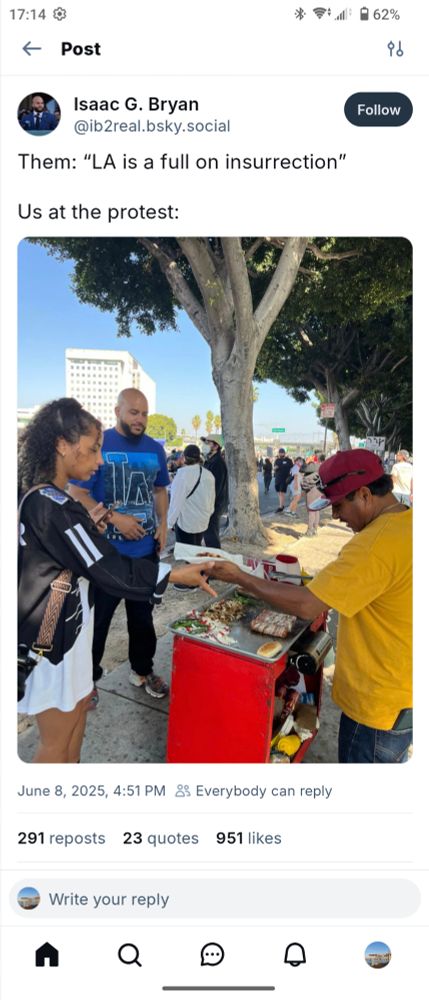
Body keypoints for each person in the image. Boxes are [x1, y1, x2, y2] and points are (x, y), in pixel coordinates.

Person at [18, 398, 216, 764]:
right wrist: (174, 572)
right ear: (62, 445)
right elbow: (107, 567)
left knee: (76, 718)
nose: (98, 461)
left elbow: (78, 552)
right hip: (52, 643)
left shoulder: (54, 500)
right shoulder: (52, 506)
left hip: (68, 632)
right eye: (93, 449)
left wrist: (93, 527)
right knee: (56, 743)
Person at [210, 450, 412, 764]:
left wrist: (240, 577)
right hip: (405, 695)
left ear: (364, 494)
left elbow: (306, 606)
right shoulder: (408, 521)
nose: (336, 516)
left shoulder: (374, 544)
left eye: (338, 506)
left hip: (378, 708)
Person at [69, 388, 171, 700]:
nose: (140, 419)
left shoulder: (155, 449)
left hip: (145, 554)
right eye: (133, 412)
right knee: (96, 625)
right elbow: (77, 494)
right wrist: (115, 519)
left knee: (142, 621)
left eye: (144, 413)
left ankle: (142, 670)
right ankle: (87, 682)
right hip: (104, 557)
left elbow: (159, 490)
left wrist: (163, 523)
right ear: (118, 411)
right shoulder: (100, 445)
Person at [167, 444, 215, 549]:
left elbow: (176, 503)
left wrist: (168, 524)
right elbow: (211, 499)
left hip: (186, 524)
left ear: (184, 458)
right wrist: (208, 515)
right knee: (196, 550)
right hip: (202, 522)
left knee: (186, 553)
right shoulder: (209, 474)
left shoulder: (182, 476)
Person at [200, 434, 228, 548]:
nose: (205, 445)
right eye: (205, 442)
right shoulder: (210, 460)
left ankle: (214, 556)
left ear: (216, 446)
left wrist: (207, 505)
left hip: (213, 505)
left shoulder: (218, 463)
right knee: (209, 535)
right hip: (209, 504)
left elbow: (215, 488)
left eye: (208, 443)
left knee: (211, 536)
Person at [301, 455, 325, 536]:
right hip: (319, 491)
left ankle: (309, 531)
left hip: (311, 491)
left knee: (311, 511)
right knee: (317, 510)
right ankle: (315, 530)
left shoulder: (311, 467)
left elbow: (302, 470)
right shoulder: (322, 467)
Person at [273, 448, 293, 512]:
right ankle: (282, 505)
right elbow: (274, 468)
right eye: (280, 453)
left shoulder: (289, 460)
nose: (281, 454)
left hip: (285, 479)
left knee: (282, 492)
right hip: (277, 479)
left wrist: (292, 476)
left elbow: (292, 468)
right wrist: (275, 468)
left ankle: (281, 507)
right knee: (279, 492)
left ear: (284, 453)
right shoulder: (277, 460)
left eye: (282, 452)